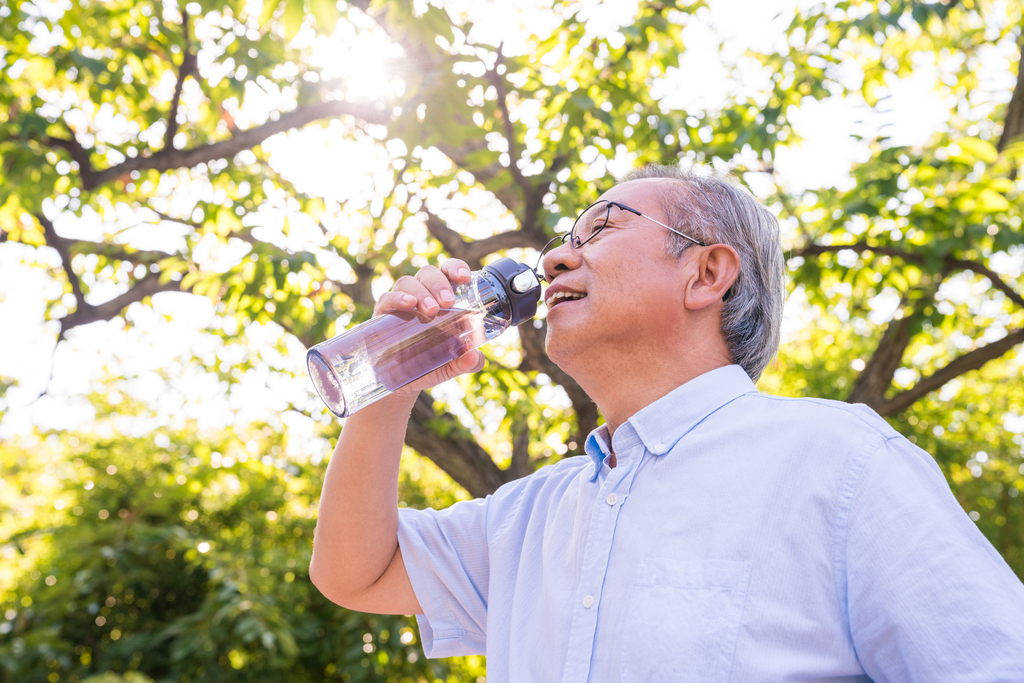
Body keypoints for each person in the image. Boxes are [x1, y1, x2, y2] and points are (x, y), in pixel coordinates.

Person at [309, 164, 1024, 682]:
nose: (557, 255)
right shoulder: (529, 515)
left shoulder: (841, 463)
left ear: (707, 274)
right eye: (565, 237)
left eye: (603, 228)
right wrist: (390, 379)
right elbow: (356, 572)